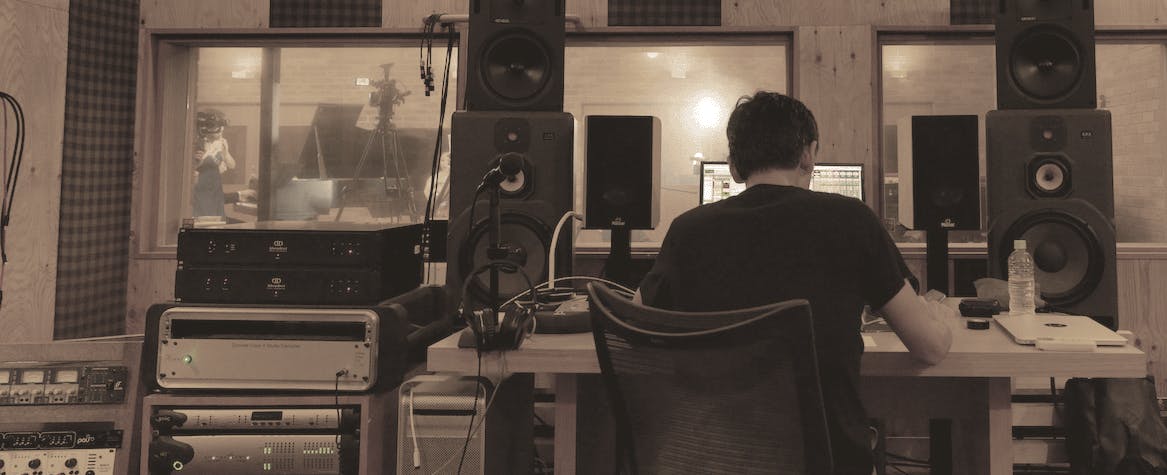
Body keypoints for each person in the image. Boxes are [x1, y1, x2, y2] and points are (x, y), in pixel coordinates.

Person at [634, 91, 954, 474]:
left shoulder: (688, 230)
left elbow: (635, 320)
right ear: (808, 154)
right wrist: (941, 318)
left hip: (710, 460)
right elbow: (929, 348)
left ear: (734, 166)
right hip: (825, 462)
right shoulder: (852, 220)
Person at [192, 109, 237, 219]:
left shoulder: (222, 143)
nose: (221, 133)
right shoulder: (197, 144)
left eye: (222, 130)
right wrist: (201, 161)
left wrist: (226, 154)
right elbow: (192, 172)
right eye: (218, 130)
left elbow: (232, 165)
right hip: (201, 191)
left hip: (215, 188)